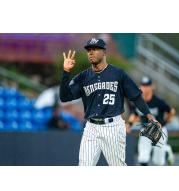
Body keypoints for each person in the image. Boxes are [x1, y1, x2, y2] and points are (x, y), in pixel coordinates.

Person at [59, 38, 159, 166]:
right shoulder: (83, 77)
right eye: (89, 50)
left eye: (94, 49)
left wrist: (149, 116)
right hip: (91, 127)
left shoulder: (118, 74)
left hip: (113, 127)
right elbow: (64, 97)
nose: (90, 52)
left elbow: (136, 96)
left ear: (104, 52)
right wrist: (66, 73)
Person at [128, 76, 176, 166]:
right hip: (145, 130)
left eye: (147, 85)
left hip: (159, 131)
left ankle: (166, 150)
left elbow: (171, 110)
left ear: (152, 87)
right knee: (143, 158)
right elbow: (135, 114)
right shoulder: (138, 101)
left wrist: (167, 120)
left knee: (158, 162)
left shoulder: (158, 101)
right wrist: (129, 125)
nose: (145, 88)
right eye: (143, 85)